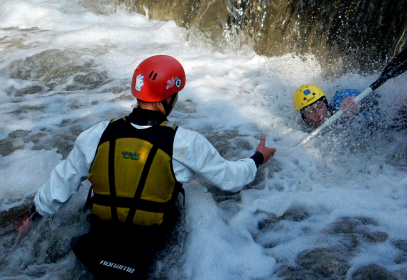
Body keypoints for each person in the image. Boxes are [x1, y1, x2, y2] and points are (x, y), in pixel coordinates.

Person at [18, 55, 276, 279]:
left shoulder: (97, 134)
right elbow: (231, 179)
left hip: (100, 238)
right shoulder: (184, 141)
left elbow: (59, 186)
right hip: (149, 242)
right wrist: (257, 158)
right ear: (170, 98)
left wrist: (31, 217)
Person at [293, 84, 362, 128]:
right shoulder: (299, 129)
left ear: (326, 104)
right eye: (310, 111)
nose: (318, 114)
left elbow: (350, 95)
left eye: (320, 106)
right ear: (303, 116)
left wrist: (354, 103)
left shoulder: (338, 105)